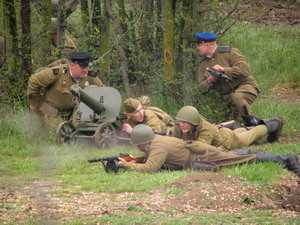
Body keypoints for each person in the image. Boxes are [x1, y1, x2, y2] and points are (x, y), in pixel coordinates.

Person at [117, 124, 300, 176]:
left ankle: (286, 159)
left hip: (203, 157)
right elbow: (149, 159)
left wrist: (125, 166)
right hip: (200, 154)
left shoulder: (157, 147)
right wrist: (133, 159)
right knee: (238, 156)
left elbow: (150, 168)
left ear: (142, 142)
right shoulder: (156, 140)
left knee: (242, 157)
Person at [195, 32, 260, 126]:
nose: (197, 48)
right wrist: (210, 80)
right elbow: (201, 87)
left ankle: (252, 124)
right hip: (226, 99)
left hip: (245, 86)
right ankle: (260, 123)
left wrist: (224, 70)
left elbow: (244, 71)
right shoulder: (203, 64)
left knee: (236, 96)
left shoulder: (230, 52)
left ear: (207, 45)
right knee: (230, 125)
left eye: (199, 45)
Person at [28, 51, 105, 130]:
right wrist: (36, 102)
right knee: (60, 133)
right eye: (82, 67)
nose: (85, 70)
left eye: (87, 67)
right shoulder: (58, 72)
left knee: (80, 132)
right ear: (71, 65)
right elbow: (33, 80)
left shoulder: (89, 76)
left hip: (75, 113)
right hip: (52, 112)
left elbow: (104, 91)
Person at [173, 106, 283, 151]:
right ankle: (245, 128)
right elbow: (174, 142)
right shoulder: (178, 126)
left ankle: (274, 123)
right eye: (180, 121)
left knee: (251, 136)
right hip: (221, 132)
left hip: (227, 139)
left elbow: (200, 148)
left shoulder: (205, 129)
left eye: (184, 122)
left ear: (193, 122)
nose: (181, 124)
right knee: (241, 132)